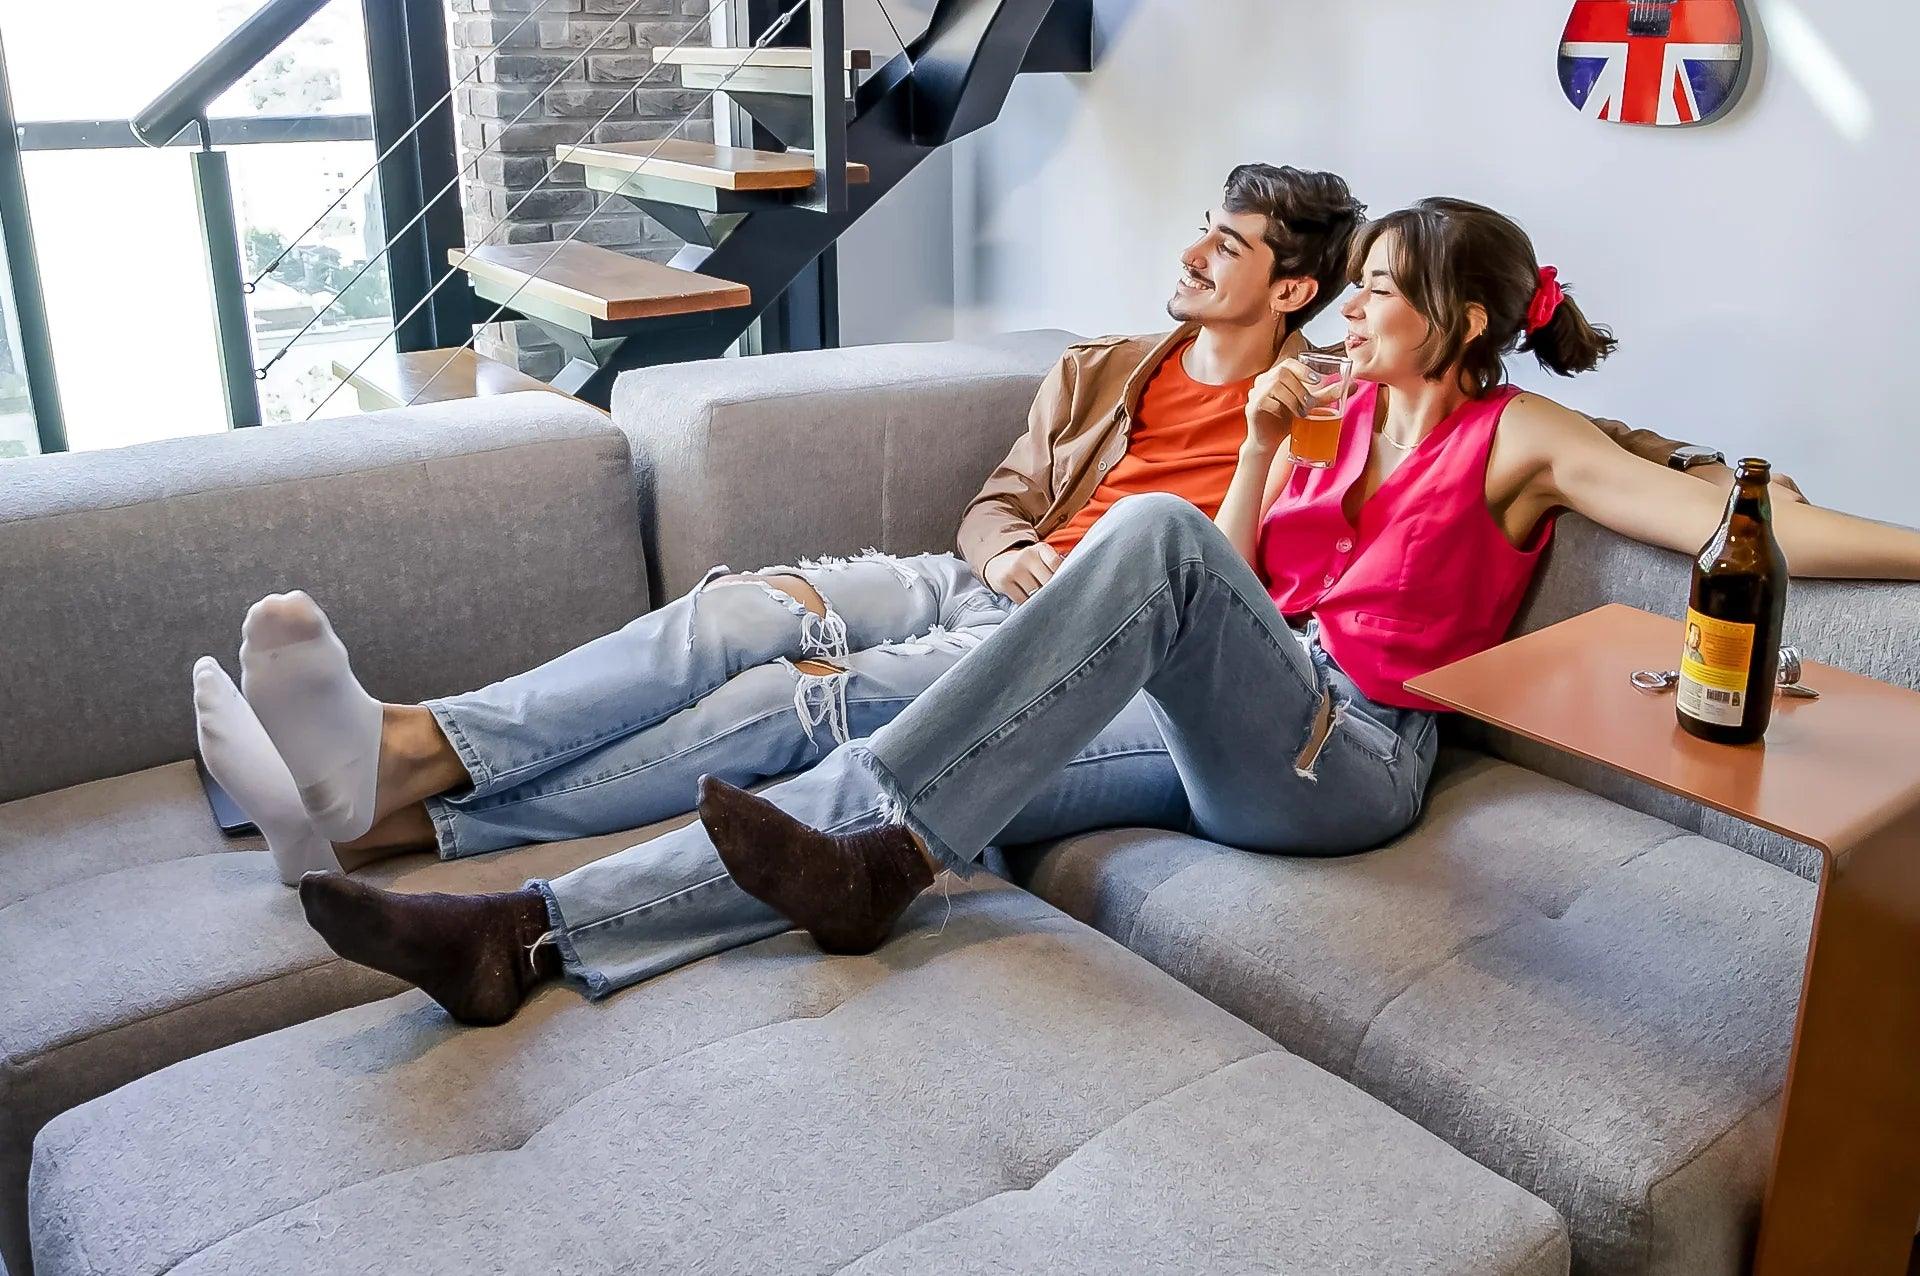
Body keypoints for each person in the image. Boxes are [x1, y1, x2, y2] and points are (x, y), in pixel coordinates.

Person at [293, 196, 1920, 1027]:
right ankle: (523, 934)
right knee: (901, 760)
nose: (1353, 307)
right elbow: (1225, 586)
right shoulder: (1335, 415)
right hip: (1247, 718)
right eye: (1354, 283)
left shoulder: (1525, 439)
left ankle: (876, 862)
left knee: (1128, 549)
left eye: (1378, 286)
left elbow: (1742, 521)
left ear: (1466, 317)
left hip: (1354, 759)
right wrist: (1266, 443)